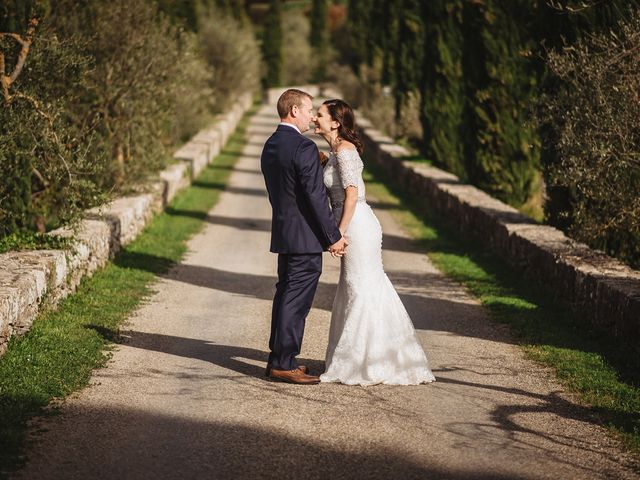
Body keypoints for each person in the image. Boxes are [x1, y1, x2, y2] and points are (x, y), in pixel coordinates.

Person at [313, 99, 435, 386]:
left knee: (362, 286)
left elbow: (352, 195)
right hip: (350, 221)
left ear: (335, 122)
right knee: (355, 286)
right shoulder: (335, 152)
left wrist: (339, 233)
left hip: (357, 224)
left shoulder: (345, 151)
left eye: (319, 115)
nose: (315, 118)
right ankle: (364, 355)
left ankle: (368, 360)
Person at [260, 89, 348, 385]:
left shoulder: (272, 144)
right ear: (294, 110)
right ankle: (283, 363)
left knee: (285, 295)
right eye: (309, 110)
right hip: (305, 238)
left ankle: (279, 359)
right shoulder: (303, 147)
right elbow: (314, 197)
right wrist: (333, 236)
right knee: (295, 301)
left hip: (286, 233)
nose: (312, 116)